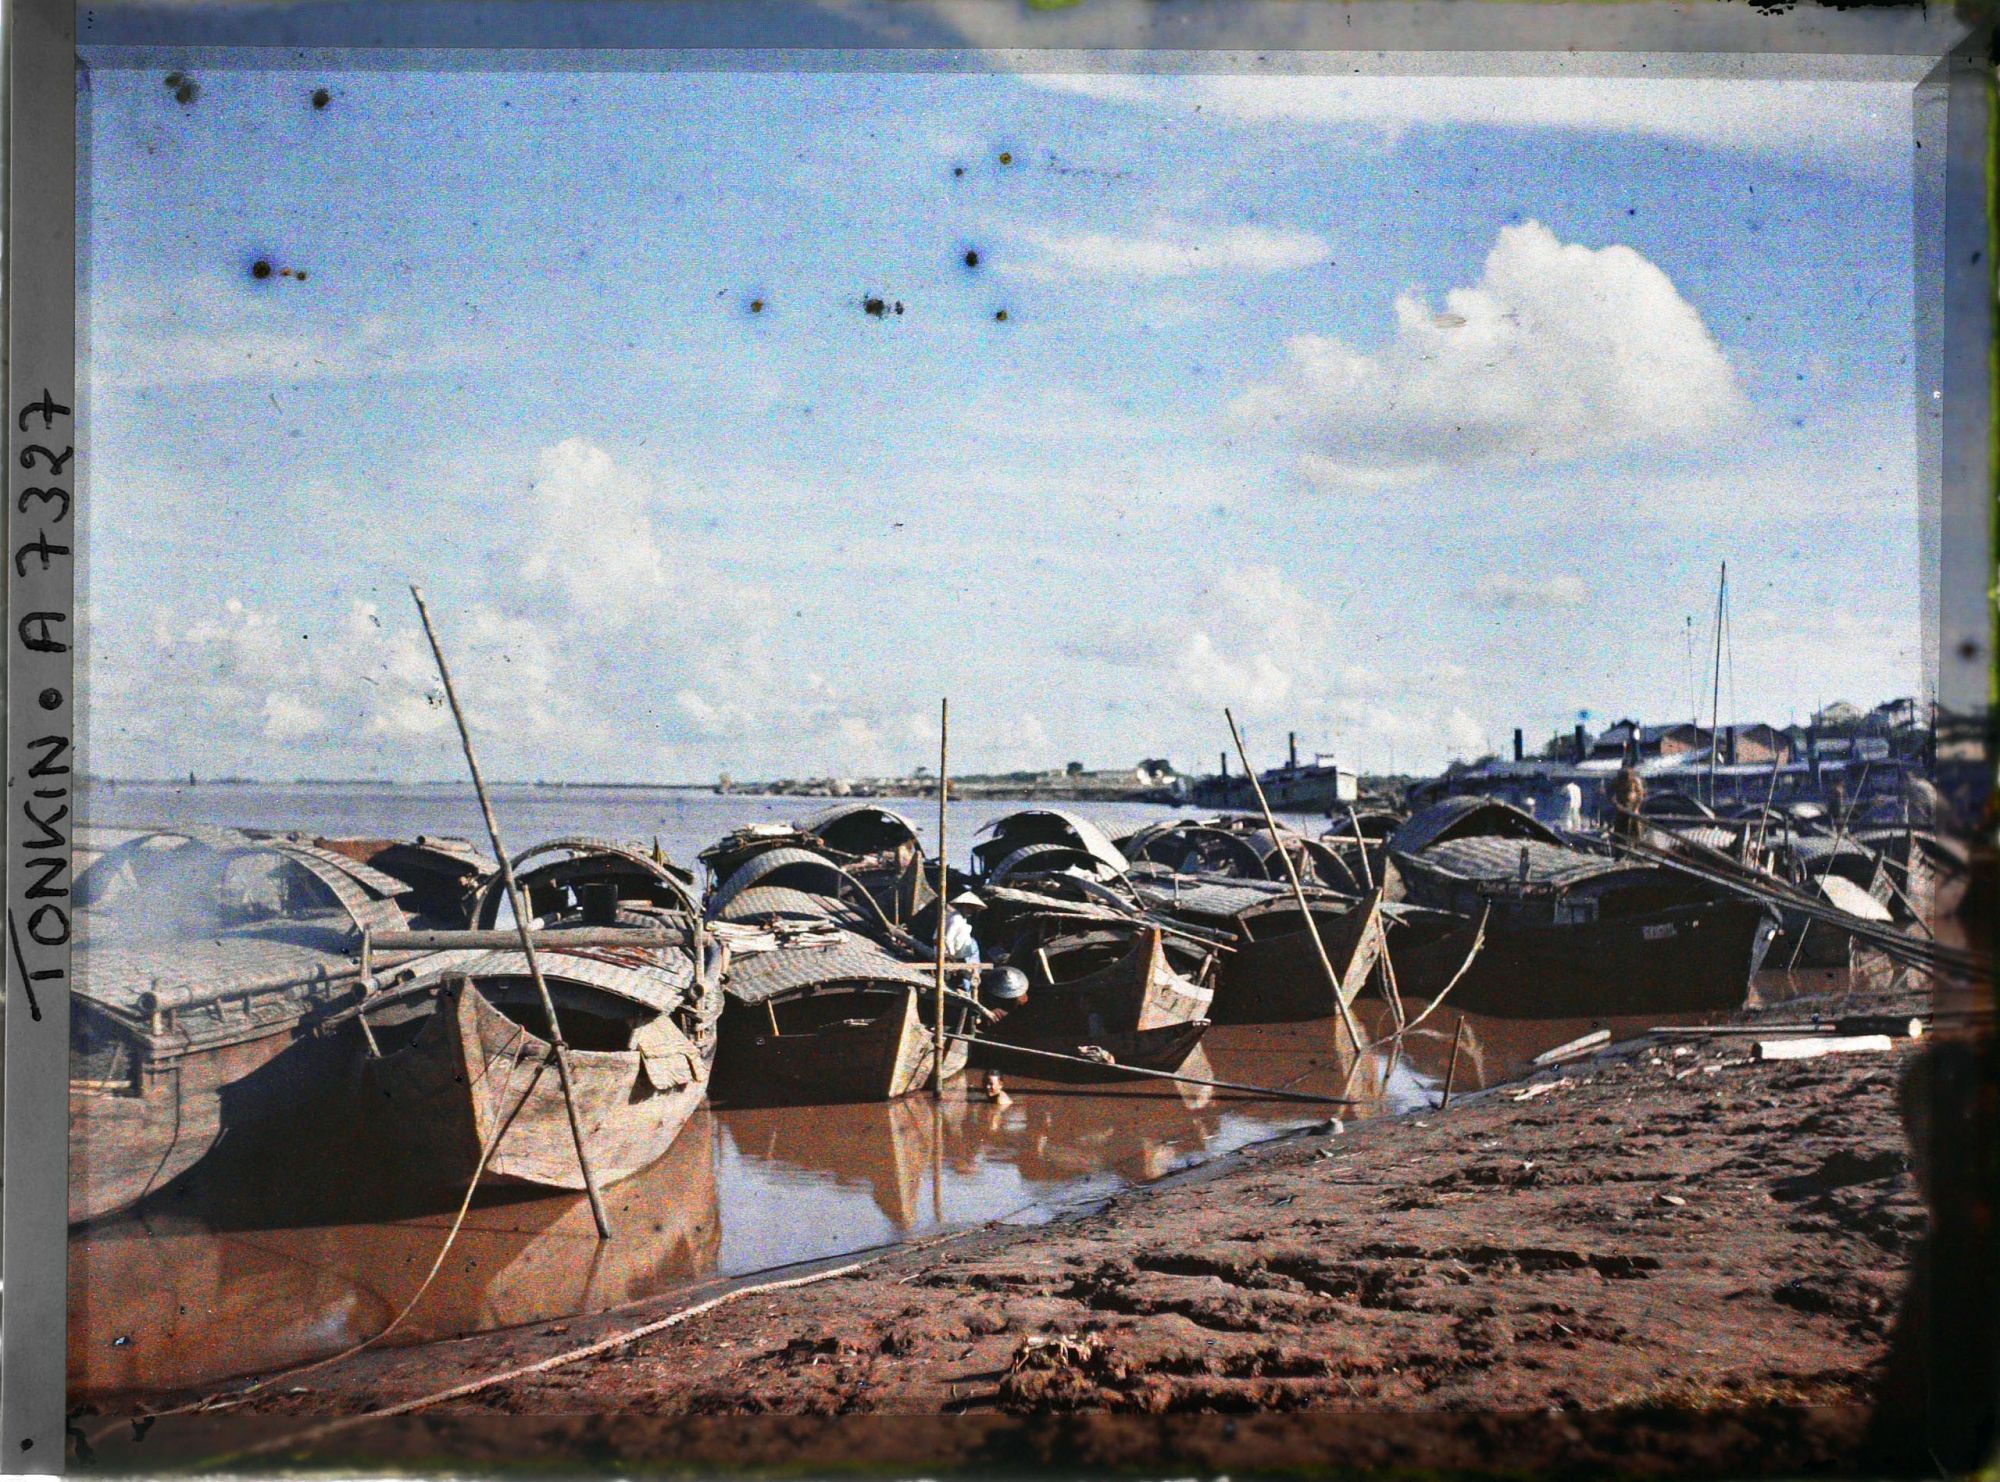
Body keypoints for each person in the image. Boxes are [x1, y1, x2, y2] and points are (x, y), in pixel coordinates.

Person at [1610, 763, 1646, 840]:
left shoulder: (1635, 781)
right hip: (1621, 808)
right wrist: (1616, 804)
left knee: (1635, 829)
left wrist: (1636, 808)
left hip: (1632, 808)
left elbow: (1640, 795)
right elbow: (1610, 794)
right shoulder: (1617, 781)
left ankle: (1636, 844)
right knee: (1620, 829)